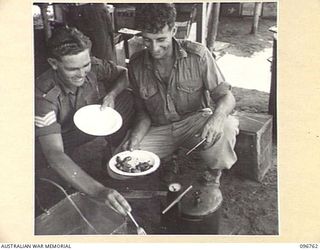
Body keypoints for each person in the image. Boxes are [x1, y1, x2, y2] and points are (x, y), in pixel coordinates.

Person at [123, 4, 239, 195]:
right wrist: (135, 137)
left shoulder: (198, 55)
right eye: (147, 40)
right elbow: (143, 111)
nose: (154, 48)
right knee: (122, 165)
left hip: (194, 123)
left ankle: (213, 174)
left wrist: (217, 119)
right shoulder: (136, 64)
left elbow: (226, 96)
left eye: (161, 39)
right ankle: (170, 158)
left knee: (226, 126)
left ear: (174, 30)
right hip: (159, 127)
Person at [35, 26, 133, 216]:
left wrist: (112, 94)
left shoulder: (93, 66)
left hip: (85, 127)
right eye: (72, 69)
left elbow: (125, 74)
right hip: (54, 140)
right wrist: (98, 190)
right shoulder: (42, 95)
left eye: (85, 65)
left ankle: (113, 154)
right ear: (53, 63)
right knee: (51, 183)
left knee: (127, 98)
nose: (82, 74)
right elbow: (54, 153)